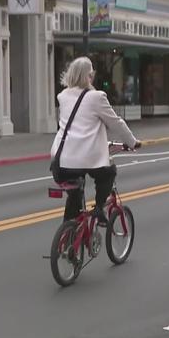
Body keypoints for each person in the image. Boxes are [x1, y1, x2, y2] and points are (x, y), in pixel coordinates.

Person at [51, 57, 141, 224]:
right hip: (86, 158)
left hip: (62, 161)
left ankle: (67, 237)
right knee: (108, 173)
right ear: (88, 76)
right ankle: (99, 209)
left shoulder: (62, 96)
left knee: (75, 192)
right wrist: (132, 141)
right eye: (90, 74)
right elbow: (116, 123)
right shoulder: (96, 97)